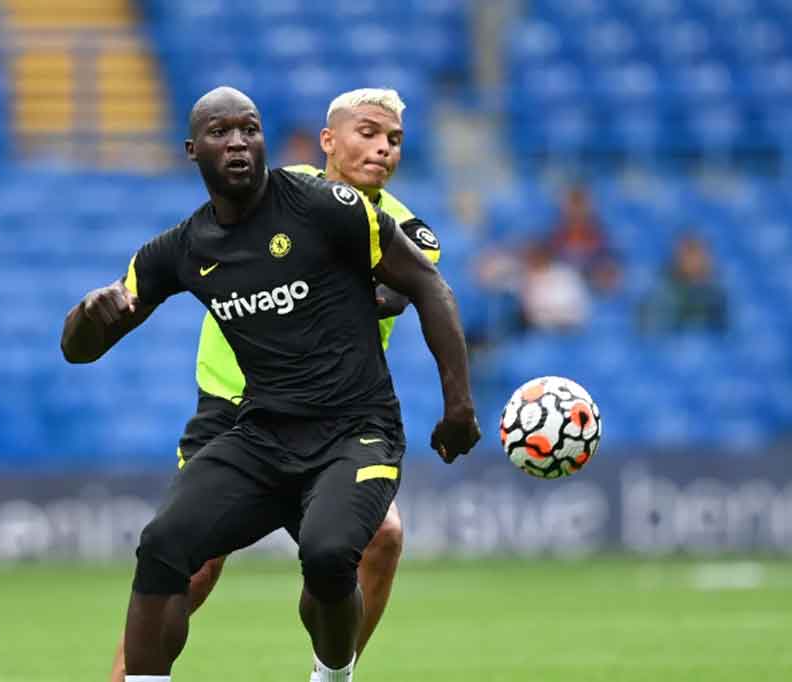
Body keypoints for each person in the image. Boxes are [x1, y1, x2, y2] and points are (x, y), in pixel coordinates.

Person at [60, 87, 480, 682]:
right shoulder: (193, 241)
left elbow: (416, 287)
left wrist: (458, 403)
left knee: (354, 545)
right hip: (241, 419)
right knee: (175, 551)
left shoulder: (349, 212)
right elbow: (89, 339)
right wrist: (88, 313)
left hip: (348, 424)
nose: (382, 148)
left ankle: (332, 672)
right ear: (327, 140)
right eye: (368, 132)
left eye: (394, 140)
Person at [638, 232, 728, 333]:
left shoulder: (717, 295)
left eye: (701, 252)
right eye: (690, 252)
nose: (697, 259)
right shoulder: (661, 293)